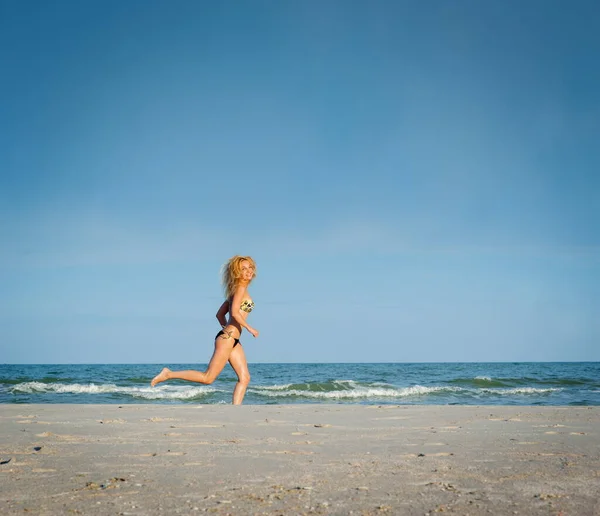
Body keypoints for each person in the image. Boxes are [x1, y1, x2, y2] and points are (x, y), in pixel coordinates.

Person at [150, 255, 259, 405]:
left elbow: (220, 315)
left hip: (232, 339)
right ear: (237, 273)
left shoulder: (236, 290)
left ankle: (236, 410)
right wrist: (248, 328)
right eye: (243, 269)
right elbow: (234, 313)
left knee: (245, 378)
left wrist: (227, 330)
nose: (248, 271)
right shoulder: (239, 288)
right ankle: (168, 374)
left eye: (250, 267)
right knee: (208, 378)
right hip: (228, 339)